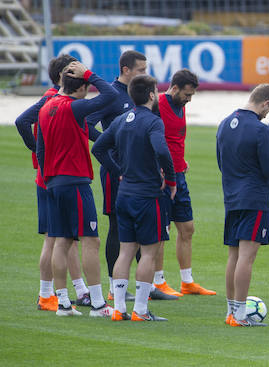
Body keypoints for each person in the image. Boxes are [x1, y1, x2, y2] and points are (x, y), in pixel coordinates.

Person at [92, 74, 176, 322]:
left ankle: (119, 309)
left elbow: (98, 148)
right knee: (149, 252)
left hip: (125, 194)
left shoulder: (120, 120)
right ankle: (140, 310)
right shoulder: (153, 122)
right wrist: (170, 180)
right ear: (151, 95)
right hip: (148, 195)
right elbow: (161, 149)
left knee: (125, 251)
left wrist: (118, 171)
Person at [37, 61, 117, 317]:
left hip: (52, 182)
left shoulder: (46, 108)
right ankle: (97, 304)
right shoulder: (75, 108)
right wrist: (91, 74)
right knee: (90, 240)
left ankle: (62, 303)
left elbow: (41, 149)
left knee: (62, 240)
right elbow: (111, 95)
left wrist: (48, 179)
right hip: (75, 182)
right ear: (82, 88)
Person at [15, 54, 92, 311]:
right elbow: (22, 121)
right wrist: (39, 155)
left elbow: (85, 129)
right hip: (52, 177)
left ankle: (79, 290)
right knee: (54, 238)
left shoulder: (61, 100)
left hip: (52, 176)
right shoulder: (51, 99)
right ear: (63, 76)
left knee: (66, 237)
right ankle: (46, 294)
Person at [85, 50, 153, 302]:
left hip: (139, 170)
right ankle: (116, 287)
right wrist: (111, 141)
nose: (145, 73)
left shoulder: (140, 93)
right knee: (117, 224)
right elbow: (86, 123)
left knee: (142, 224)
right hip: (116, 169)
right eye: (141, 69)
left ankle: (143, 283)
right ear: (126, 70)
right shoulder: (111, 95)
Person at [216, 84, 269, 327]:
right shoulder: (260, 129)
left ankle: (231, 312)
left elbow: (220, 162)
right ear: (265, 103)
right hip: (254, 198)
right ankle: (242, 315)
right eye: (268, 111)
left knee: (233, 255)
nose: (266, 116)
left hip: (232, 197)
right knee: (247, 257)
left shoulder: (224, 123)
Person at [149, 68, 216, 298]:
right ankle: (158, 282)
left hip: (179, 175)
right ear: (174, 88)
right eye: (187, 95)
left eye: (192, 96)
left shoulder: (180, 105)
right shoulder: (157, 104)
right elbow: (149, 137)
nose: (189, 100)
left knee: (187, 228)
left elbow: (174, 139)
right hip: (161, 178)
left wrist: (180, 160)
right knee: (161, 232)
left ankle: (187, 282)